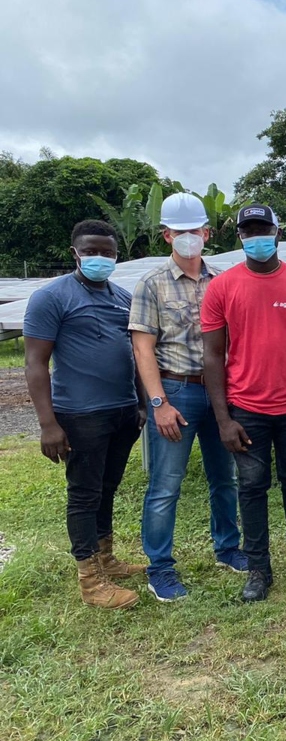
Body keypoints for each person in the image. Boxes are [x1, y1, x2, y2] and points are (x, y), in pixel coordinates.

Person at [201, 204, 286, 603]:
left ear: (278, 233)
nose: (257, 237)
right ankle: (258, 568)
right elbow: (212, 356)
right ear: (240, 237)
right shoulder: (222, 287)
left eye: (263, 229)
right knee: (252, 487)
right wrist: (223, 420)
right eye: (249, 231)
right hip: (246, 409)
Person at [128, 193, 246, 603]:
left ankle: (228, 548)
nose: (188, 237)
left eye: (194, 230)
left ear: (207, 233)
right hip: (176, 390)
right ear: (166, 236)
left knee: (224, 477)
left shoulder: (224, 281)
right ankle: (160, 568)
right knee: (166, 485)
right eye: (179, 232)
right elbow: (143, 349)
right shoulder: (151, 284)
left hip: (219, 392)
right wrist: (159, 403)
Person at [24, 219, 145, 609]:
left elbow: (136, 353)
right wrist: (48, 424)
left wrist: (142, 403)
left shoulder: (122, 297)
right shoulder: (51, 297)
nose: (100, 258)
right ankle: (90, 579)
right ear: (75, 253)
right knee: (84, 493)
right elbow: (35, 363)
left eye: (107, 253)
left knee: (107, 487)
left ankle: (106, 556)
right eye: (91, 251)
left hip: (123, 411)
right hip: (80, 414)